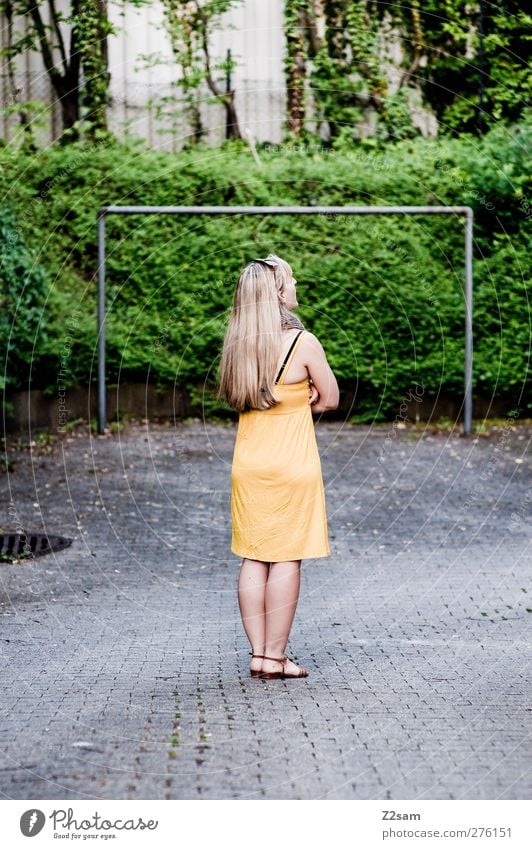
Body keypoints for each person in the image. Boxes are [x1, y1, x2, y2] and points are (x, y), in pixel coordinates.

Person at [218, 253, 339, 679]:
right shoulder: (303, 343)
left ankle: (257, 654)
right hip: (292, 463)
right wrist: (304, 395)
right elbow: (330, 398)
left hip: (248, 465)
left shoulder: (238, 347)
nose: (296, 285)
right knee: (287, 557)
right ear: (277, 293)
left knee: (253, 556)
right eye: (291, 279)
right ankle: (276, 655)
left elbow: (238, 397)